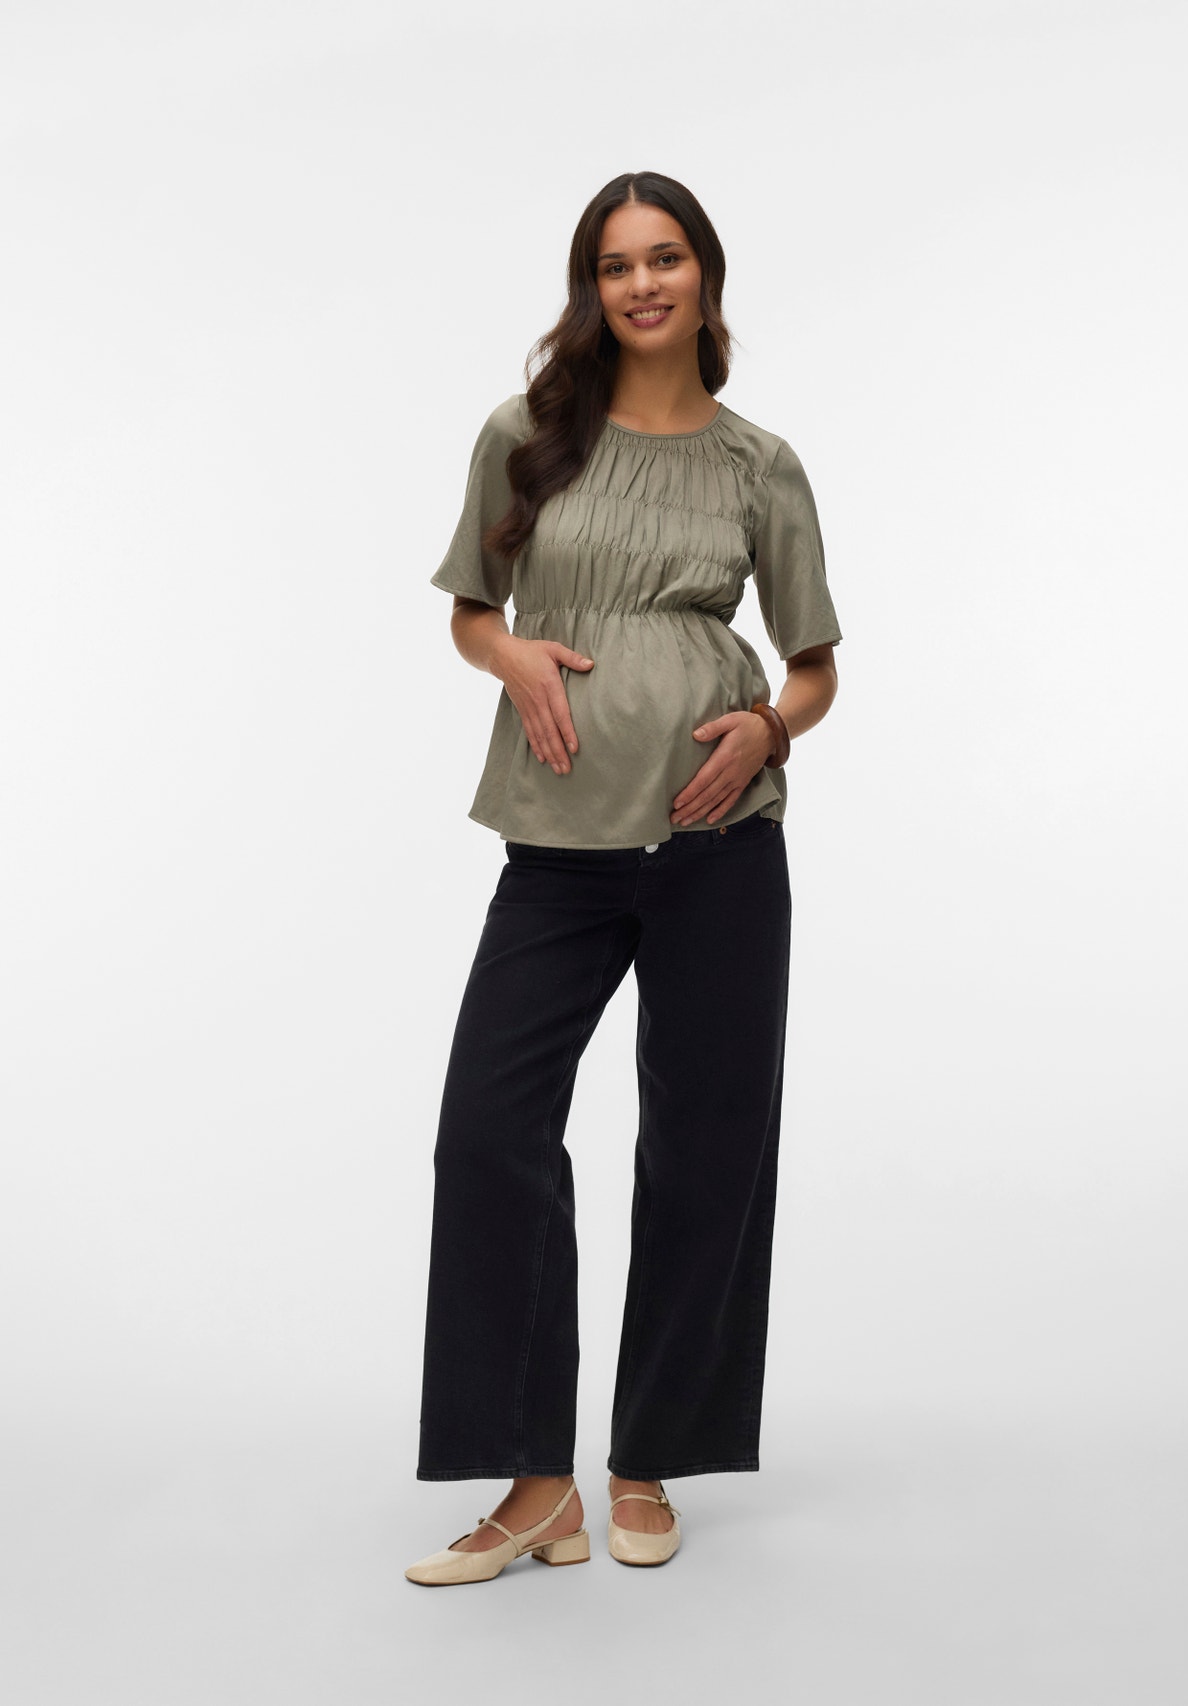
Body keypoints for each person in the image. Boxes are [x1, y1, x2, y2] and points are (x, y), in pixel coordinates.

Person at [405, 170, 842, 1586]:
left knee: (708, 1147)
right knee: (489, 1131)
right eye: (614, 264)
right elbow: (471, 608)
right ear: (590, 288)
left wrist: (770, 726)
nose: (642, 283)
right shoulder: (526, 433)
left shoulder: (761, 465)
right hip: (558, 843)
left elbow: (816, 665)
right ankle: (536, 1485)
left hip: (722, 846)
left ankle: (649, 1456)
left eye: (664, 257)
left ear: (704, 275)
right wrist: (511, 654)